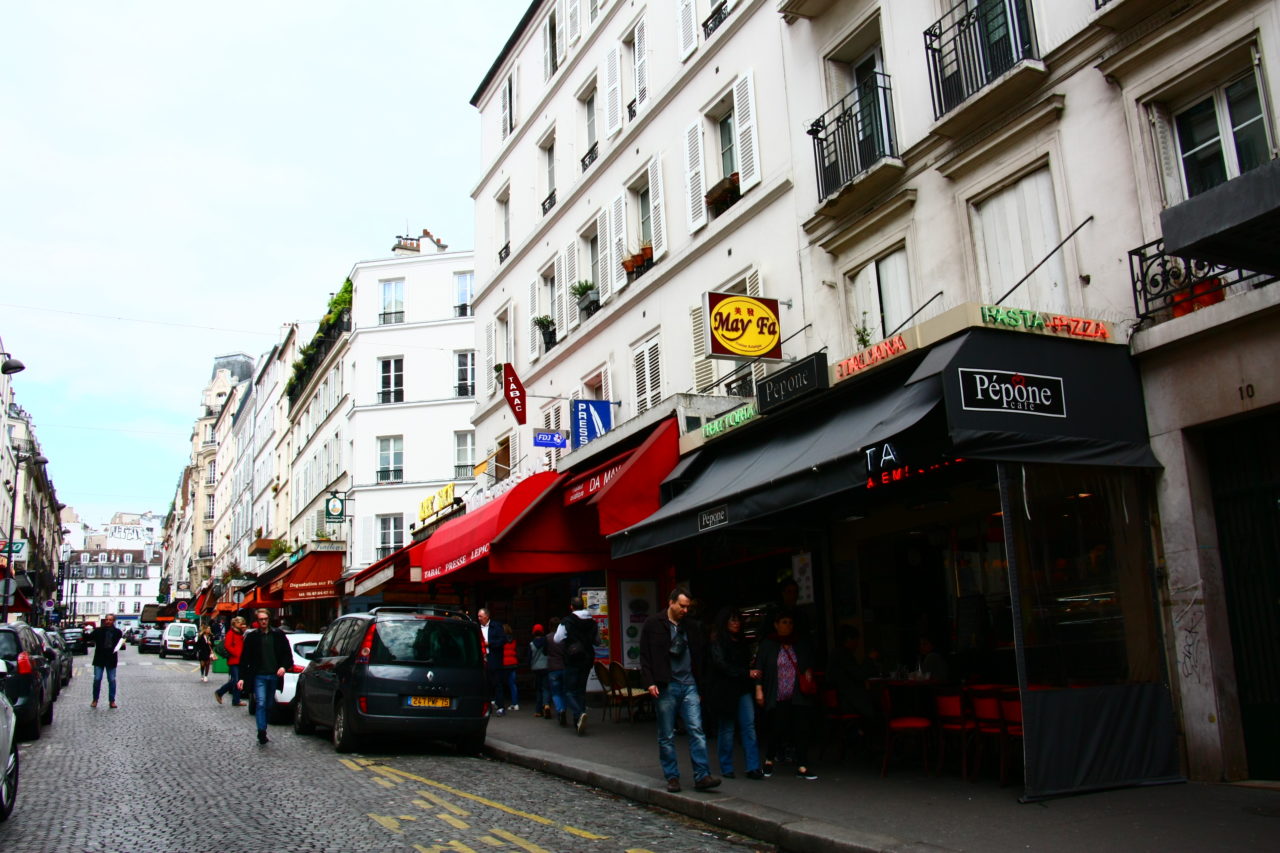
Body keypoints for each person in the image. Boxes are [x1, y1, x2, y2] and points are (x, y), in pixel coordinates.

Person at [639, 586, 720, 793]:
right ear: (671, 602)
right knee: (666, 734)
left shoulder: (691, 626)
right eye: (682, 606)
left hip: (689, 683)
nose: (685, 610)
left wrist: (701, 685)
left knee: (696, 729)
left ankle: (702, 775)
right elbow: (645, 655)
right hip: (666, 684)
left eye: (687, 607)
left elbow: (700, 655)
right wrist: (650, 682)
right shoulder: (653, 624)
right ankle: (672, 776)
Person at [756, 610, 818, 780]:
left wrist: (808, 672)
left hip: (797, 694)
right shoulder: (768, 644)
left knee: (801, 729)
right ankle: (769, 760)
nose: (788, 626)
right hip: (778, 694)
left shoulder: (799, 643)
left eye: (790, 622)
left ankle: (802, 765)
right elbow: (759, 667)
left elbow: (808, 662)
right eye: (784, 622)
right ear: (776, 625)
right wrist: (758, 689)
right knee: (776, 728)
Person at [707, 607, 764, 780]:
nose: (736, 623)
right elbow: (721, 665)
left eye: (738, 620)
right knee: (727, 728)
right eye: (732, 620)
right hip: (726, 689)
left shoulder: (741, 642)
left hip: (741, 688)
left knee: (748, 726)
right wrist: (745, 673)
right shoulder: (718, 642)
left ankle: (753, 766)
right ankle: (727, 766)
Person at [236, 608, 291, 744]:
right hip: (259, 676)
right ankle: (261, 731)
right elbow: (245, 658)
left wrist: (283, 667)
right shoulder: (252, 637)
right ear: (257, 621)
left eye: (265, 619)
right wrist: (241, 678)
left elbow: (287, 655)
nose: (263, 622)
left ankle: (263, 727)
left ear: (269, 619)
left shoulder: (278, 635)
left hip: (273, 675)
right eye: (261, 619)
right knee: (260, 703)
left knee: (268, 704)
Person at [554, 595, 599, 736]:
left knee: (569, 690)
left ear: (571, 607)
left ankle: (579, 713)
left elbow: (557, 638)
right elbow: (597, 640)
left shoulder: (567, 621)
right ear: (583, 605)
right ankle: (578, 720)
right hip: (587, 658)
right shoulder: (592, 622)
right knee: (581, 689)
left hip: (573, 658)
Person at [88, 613, 125, 709]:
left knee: (112, 680)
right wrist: (85, 632)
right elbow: (89, 638)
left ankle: (112, 701)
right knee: (97, 679)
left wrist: (122, 644)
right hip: (99, 658)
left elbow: (120, 645)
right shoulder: (98, 631)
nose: (108, 621)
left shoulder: (117, 632)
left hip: (111, 659)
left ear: (114, 621)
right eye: (107, 619)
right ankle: (95, 700)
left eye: (110, 620)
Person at [477, 608, 507, 717]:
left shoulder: (496, 626)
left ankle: (500, 707)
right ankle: (487, 707)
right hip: (482, 659)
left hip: (494, 658)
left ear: (487, 616)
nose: (479, 618)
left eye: (480, 616)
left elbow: (503, 640)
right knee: (485, 684)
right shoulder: (477, 627)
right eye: (478, 616)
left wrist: (489, 643)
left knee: (497, 683)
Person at [214, 616, 247, 706]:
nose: (241, 624)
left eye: (242, 623)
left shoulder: (240, 633)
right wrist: (236, 653)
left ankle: (236, 700)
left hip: (240, 660)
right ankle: (220, 692)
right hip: (234, 660)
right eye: (239, 623)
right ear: (235, 623)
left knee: (237, 681)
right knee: (235, 681)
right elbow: (228, 646)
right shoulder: (231, 633)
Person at [544, 617, 568, 725]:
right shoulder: (564, 637)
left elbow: (545, 651)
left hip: (552, 667)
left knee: (555, 692)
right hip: (563, 666)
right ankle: (564, 709)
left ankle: (560, 709)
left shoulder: (547, 638)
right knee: (564, 691)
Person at [528, 624, 551, 718]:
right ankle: (546, 705)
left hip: (536, 668)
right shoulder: (546, 642)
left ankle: (538, 711)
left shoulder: (531, 644)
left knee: (538, 689)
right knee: (546, 688)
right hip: (546, 667)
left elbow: (529, 657)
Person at [502, 622, 520, 711]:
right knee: (513, 684)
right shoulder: (513, 640)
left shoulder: (501, 640)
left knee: (500, 684)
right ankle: (515, 703)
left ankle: (499, 703)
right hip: (513, 664)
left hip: (504, 664)